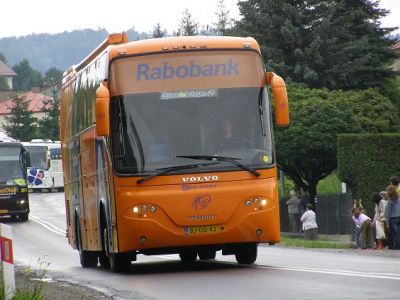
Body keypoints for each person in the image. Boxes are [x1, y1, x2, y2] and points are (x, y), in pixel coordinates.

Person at [384, 185, 400, 250]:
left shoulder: (390, 200)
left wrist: (387, 223)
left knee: (395, 234)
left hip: (393, 219)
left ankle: (397, 247)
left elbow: (388, 212)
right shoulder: (399, 198)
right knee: (398, 233)